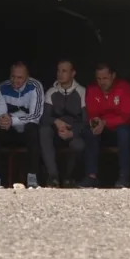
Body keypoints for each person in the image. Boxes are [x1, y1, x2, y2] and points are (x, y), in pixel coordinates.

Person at [0, 61, 44, 189]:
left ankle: (32, 177)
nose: (15, 80)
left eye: (19, 77)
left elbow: (35, 116)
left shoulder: (35, 86)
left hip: (26, 130)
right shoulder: (3, 87)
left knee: (33, 129)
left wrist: (12, 120)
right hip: (9, 130)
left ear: (27, 77)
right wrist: (2, 120)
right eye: (13, 76)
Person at [39, 59, 97, 188]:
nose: (60, 74)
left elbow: (86, 121)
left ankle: (68, 177)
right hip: (56, 132)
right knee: (44, 131)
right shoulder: (51, 92)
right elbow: (44, 118)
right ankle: (53, 176)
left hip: (74, 132)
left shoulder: (82, 91)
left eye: (64, 71)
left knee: (79, 145)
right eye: (58, 71)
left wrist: (72, 132)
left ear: (73, 73)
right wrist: (56, 121)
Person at [84, 62, 130, 188]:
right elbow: (92, 114)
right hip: (103, 131)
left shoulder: (125, 88)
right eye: (98, 78)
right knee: (90, 132)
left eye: (105, 78)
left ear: (113, 76)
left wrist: (105, 122)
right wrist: (95, 123)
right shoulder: (92, 89)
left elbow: (127, 116)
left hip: (123, 128)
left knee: (123, 132)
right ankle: (91, 177)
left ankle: (124, 177)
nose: (101, 82)